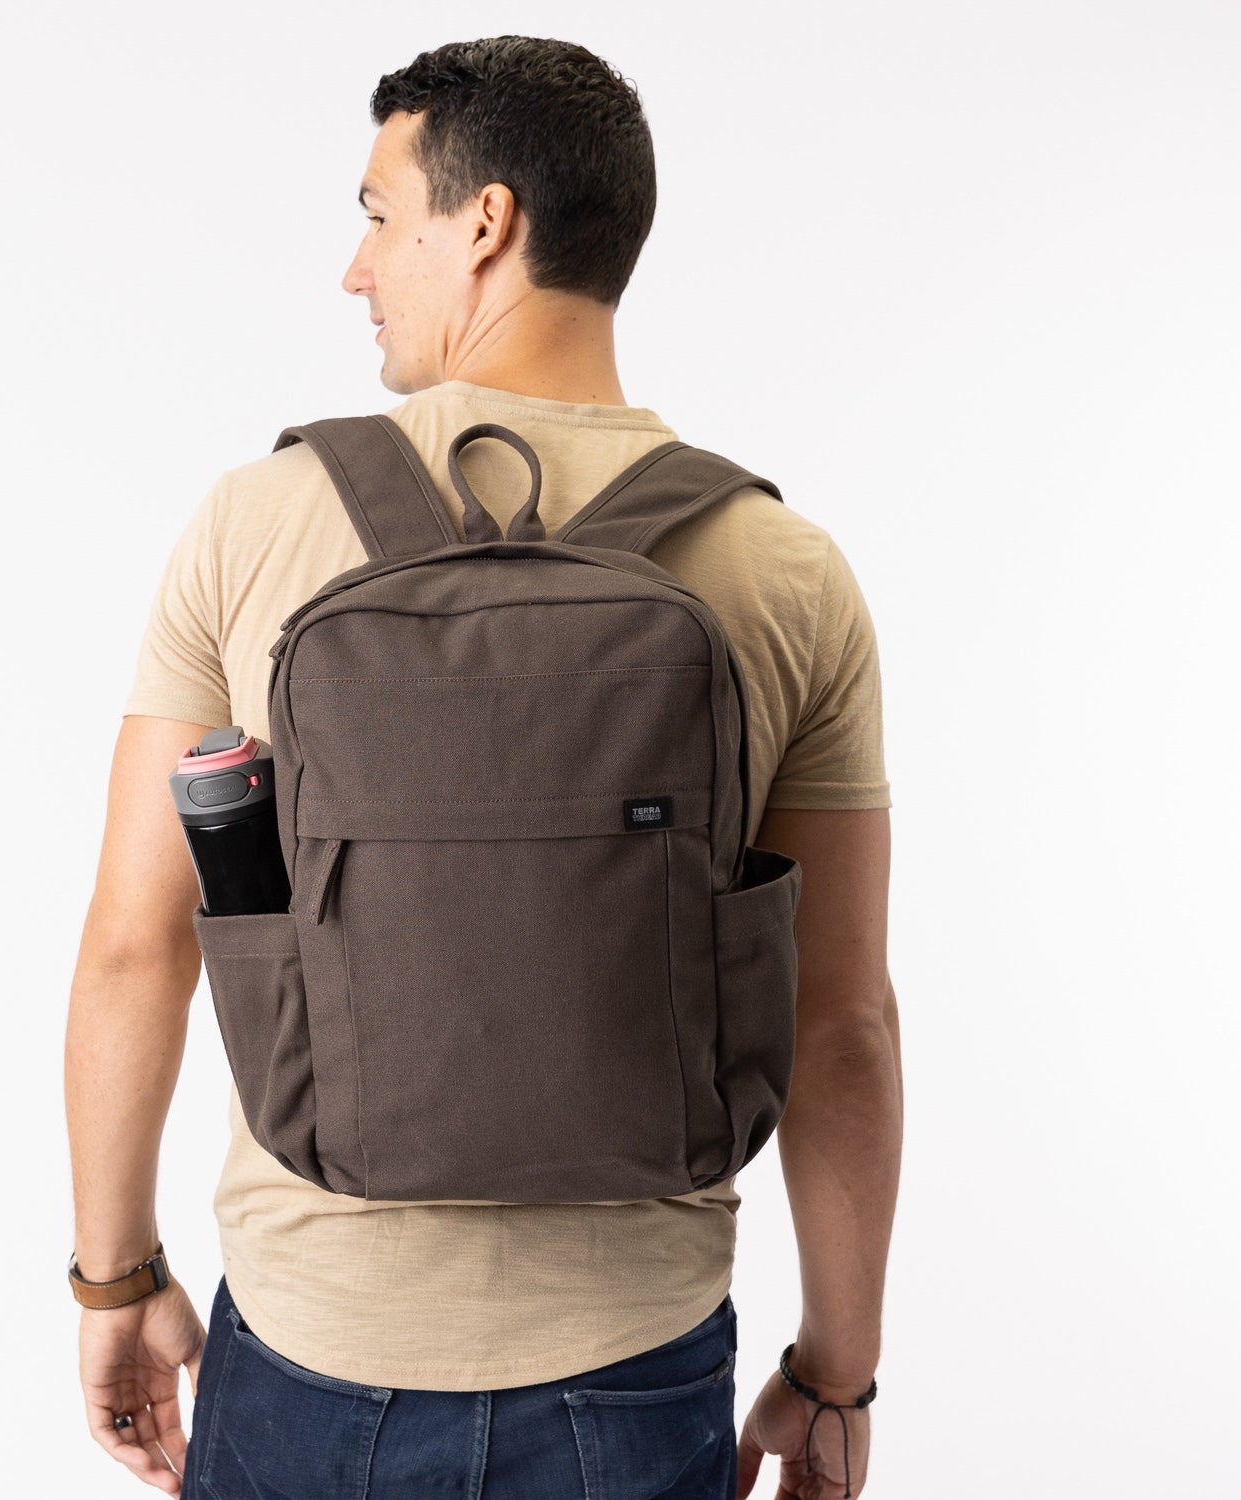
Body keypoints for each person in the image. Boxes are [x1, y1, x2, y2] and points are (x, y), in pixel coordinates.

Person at [64, 34, 901, 1500]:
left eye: (381, 215)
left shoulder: (255, 523)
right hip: (631, 1367)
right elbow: (842, 1027)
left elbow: (139, 948)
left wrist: (114, 1276)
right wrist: (836, 1373)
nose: (355, 267)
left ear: (486, 224)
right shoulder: (784, 569)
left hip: (312, 1346)